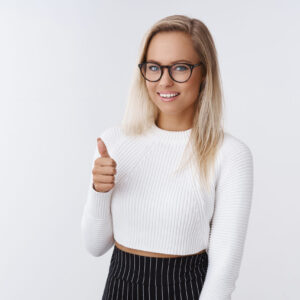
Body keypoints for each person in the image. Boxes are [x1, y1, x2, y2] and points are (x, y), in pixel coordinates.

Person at [81, 14, 254, 300]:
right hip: (119, 289)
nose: (165, 81)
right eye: (154, 67)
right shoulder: (114, 142)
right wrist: (100, 191)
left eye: (180, 68)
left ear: (205, 73)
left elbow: (224, 271)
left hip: (186, 291)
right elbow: (94, 246)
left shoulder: (230, 154)